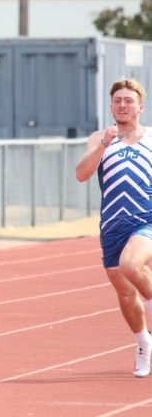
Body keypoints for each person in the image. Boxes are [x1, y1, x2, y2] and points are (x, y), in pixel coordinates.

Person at [75, 77, 152, 378]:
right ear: (111, 107)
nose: (123, 105)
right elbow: (81, 174)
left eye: (128, 100)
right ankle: (144, 343)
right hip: (112, 225)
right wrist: (104, 145)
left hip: (146, 218)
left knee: (131, 264)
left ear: (140, 107)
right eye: (118, 101)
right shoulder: (100, 138)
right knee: (125, 294)